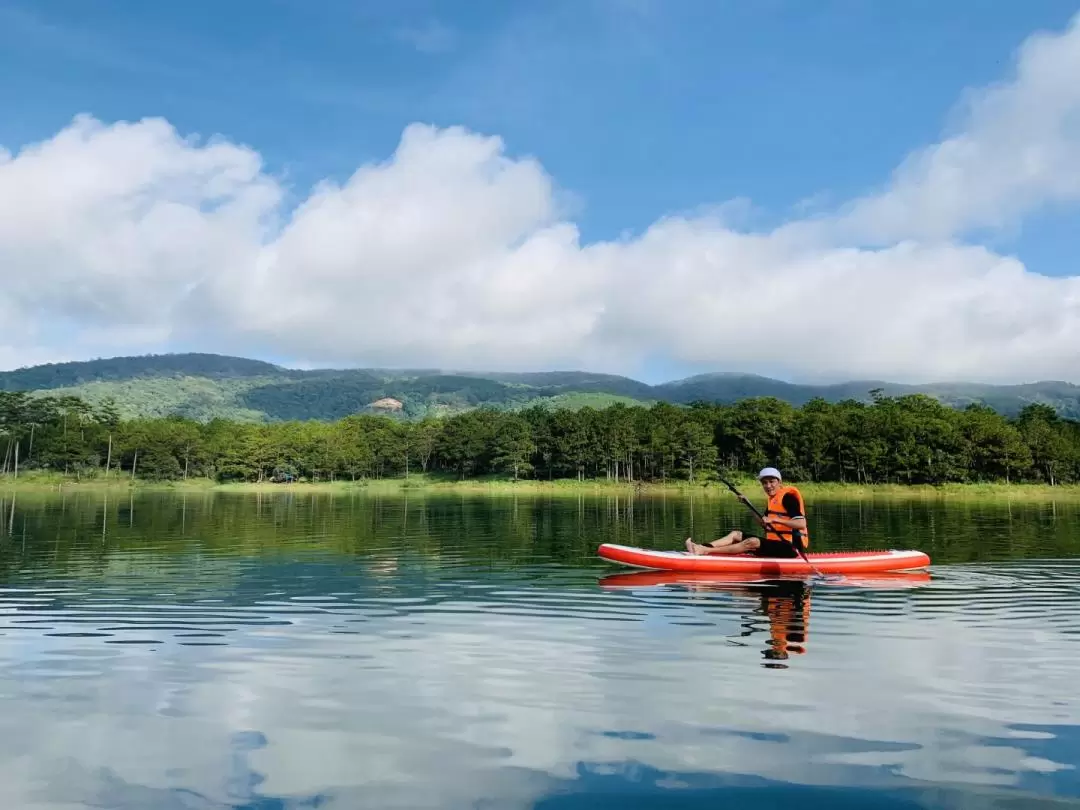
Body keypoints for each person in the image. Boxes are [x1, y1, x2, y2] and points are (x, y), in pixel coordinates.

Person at [685, 467, 809, 558]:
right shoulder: (773, 500)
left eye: (772, 481)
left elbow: (801, 523)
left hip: (791, 548)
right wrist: (747, 504)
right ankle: (701, 547)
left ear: (779, 482)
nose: (768, 486)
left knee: (753, 541)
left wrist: (775, 520)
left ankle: (705, 551)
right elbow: (763, 524)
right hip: (775, 544)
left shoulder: (788, 498)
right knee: (735, 534)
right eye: (764, 483)